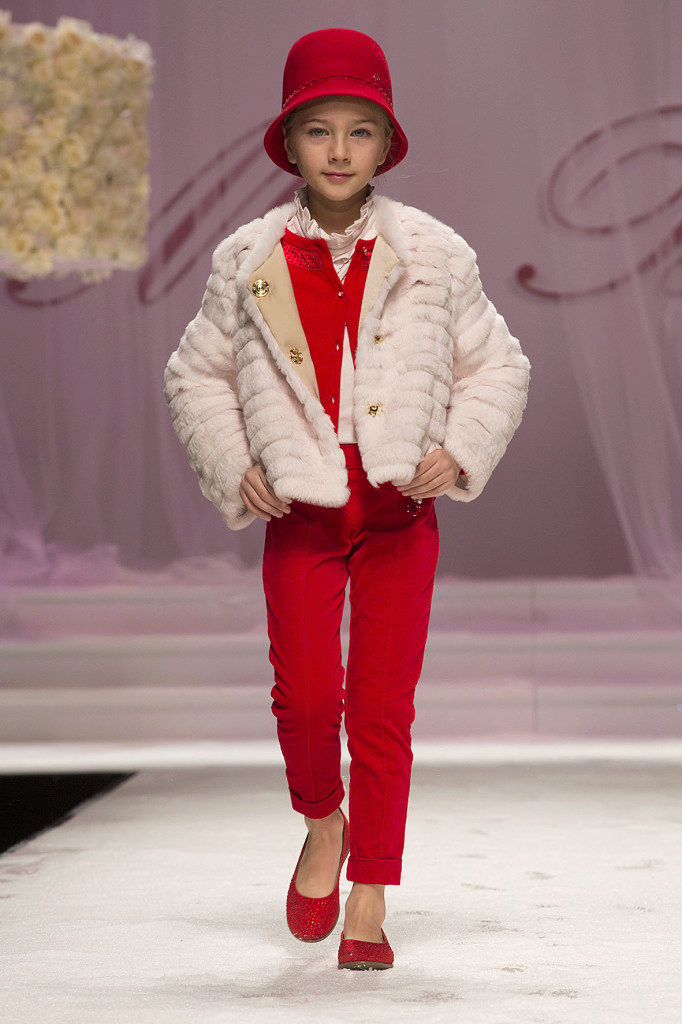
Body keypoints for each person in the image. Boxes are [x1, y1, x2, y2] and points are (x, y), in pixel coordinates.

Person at [163, 27, 531, 971]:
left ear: (386, 144)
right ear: (289, 143)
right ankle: (322, 822)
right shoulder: (246, 258)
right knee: (304, 696)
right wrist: (233, 458)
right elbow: (195, 374)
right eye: (318, 130)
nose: (338, 150)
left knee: (379, 706)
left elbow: (499, 365)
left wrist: (459, 448)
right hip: (302, 511)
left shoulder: (435, 253)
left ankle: (370, 888)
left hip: (398, 508)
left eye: (359, 130)